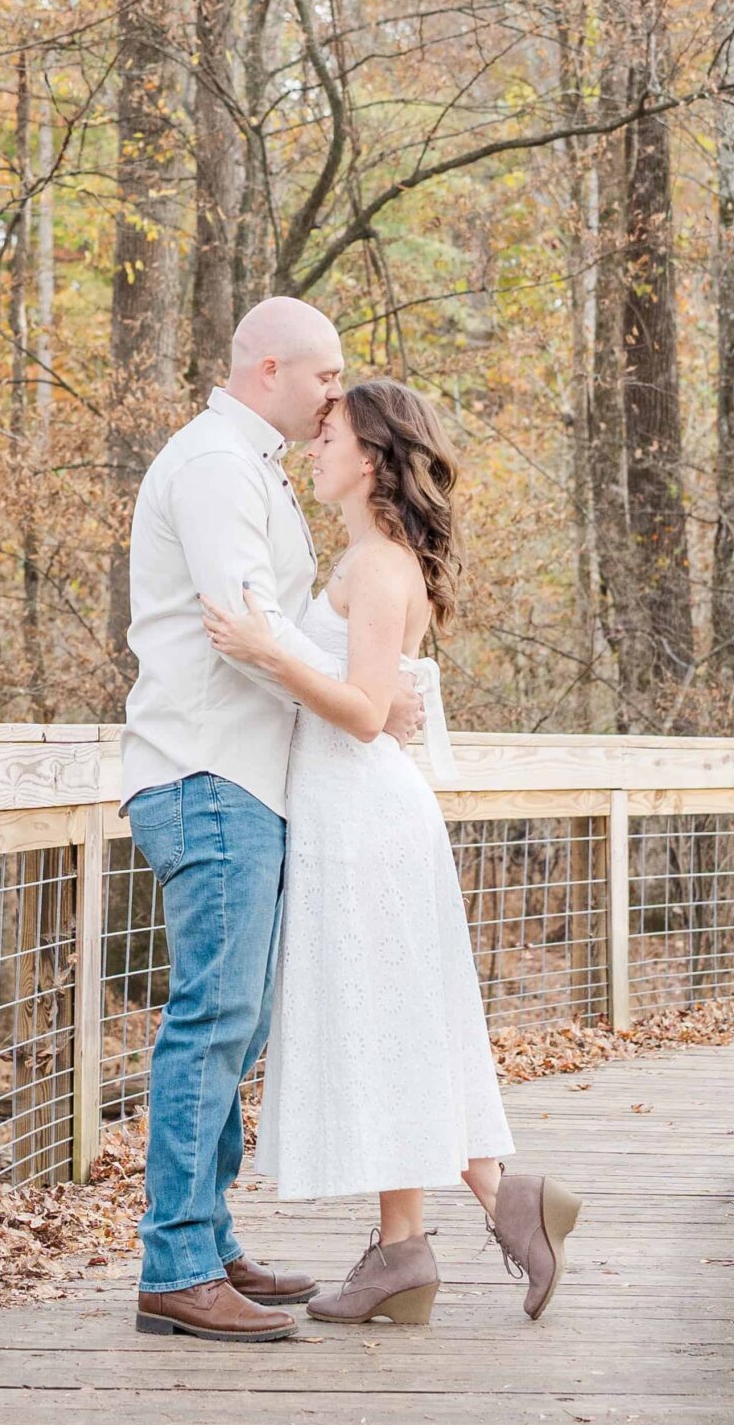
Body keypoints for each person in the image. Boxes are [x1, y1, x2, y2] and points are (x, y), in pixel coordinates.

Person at [203, 377, 580, 1326]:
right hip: (346, 816)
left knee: (389, 1020)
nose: (312, 447)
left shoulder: (377, 567)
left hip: (365, 819)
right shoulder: (371, 557)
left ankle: (459, 1225)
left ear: (368, 456)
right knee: (391, 1022)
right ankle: (431, 1236)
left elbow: (367, 715)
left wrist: (264, 649)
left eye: (326, 434)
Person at [119, 296, 425, 1342]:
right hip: (207, 773)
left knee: (231, 1020)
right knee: (209, 1020)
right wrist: (369, 700)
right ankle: (178, 1264)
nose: (336, 392)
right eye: (325, 374)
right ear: (269, 367)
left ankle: (208, 1240)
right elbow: (245, 623)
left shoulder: (254, 470)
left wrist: (382, 685)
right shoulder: (213, 464)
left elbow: (288, 630)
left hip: (246, 777)